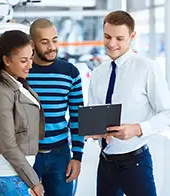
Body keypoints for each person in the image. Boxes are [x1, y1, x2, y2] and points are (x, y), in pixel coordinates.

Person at [87, 10, 170, 196]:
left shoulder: (148, 68)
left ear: (132, 36)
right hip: (105, 162)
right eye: (107, 36)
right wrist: (93, 131)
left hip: (135, 163)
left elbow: (167, 113)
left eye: (119, 38)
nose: (111, 43)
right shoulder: (98, 73)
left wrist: (137, 129)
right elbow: (94, 112)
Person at [0, 30, 45, 196]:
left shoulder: (17, 84)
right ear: (7, 61)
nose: (30, 65)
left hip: (18, 170)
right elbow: (8, 144)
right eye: (23, 60)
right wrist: (34, 181)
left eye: (31, 58)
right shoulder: (1, 92)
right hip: (9, 173)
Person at [27, 18, 85, 196]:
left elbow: (77, 116)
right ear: (32, 44)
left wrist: (77, 156)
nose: (52, 47)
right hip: (27, 155)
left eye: (54, 40)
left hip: (60, 155)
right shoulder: (22, 72)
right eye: (44, 42)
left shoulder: (70, 72)